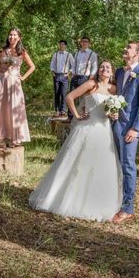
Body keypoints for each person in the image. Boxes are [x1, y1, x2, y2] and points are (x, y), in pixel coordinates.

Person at [29, 60, 123, 221]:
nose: (104, 69)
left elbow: (113, 111)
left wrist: (114, 114)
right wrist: (78, 116)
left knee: (100, 164)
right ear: (98, 71)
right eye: (102, 67)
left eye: (108, 67)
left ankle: (97, 200)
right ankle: (67, 198)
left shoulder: (114, 89)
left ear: (112, 72)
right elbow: (69, 97)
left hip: (104, 130)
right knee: (78, 162)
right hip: (87, 128)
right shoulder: (91, 84)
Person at [110, 42, 139, 224]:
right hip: (115, 124)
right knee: (115, 164)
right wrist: (111, 111)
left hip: (130, 129)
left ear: (137, 54)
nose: (125, 49)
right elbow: (115, 96)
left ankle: (128, 208)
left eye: (129, 47)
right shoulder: (120, 73)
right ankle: (115, 200)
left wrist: (136, 129)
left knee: (128, 166)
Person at [0, 28, 35, 148]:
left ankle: (15, 137)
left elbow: (32, 66)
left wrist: (23, 77)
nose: (11, 37)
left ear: (19, 37)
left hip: (15, 83)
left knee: (14, 109)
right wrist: (1, 69)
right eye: (10, 35)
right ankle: (1, 137)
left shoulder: (22, 52)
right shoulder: (1, 50)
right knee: (1, 109)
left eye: (14, 35)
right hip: (2, 82)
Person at [68, 36, 98, 117]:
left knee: (84, 99)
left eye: (86, 41)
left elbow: (95, 67)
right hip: (75, 77)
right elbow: (74, 65)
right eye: (83, 41)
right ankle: (70, 116)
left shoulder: (92, 54)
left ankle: (84, 115)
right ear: (81, 43)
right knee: (71, 97)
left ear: (89, 43)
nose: (84, 43)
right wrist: (72, 74)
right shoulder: (77, 53)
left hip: (85, 78)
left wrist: (91, 78)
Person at [49, 40, 73, 118]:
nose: (61, 45)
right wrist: (53, 72)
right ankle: (57, 110)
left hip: (64, 76)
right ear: (59, 45)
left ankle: (63, 110)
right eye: (60, 44)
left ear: (65, 46)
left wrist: (68, 73)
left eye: (63, 44)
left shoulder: (69, 55)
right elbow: (52, 64)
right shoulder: (55, 55)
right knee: (57, 93)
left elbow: (73, 66)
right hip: (56, 75)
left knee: (63, 93)